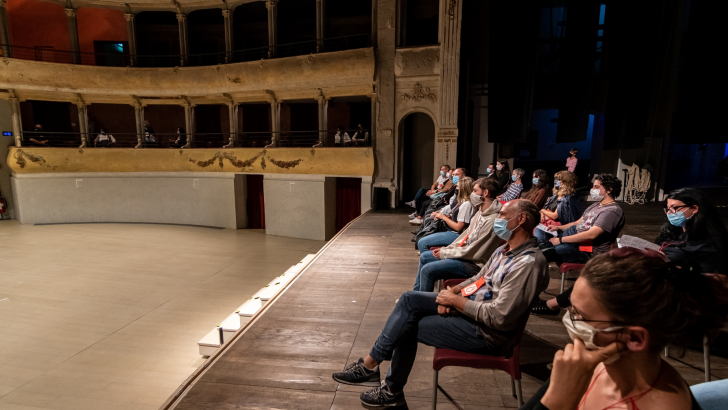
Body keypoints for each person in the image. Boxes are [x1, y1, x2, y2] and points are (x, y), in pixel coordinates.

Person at [332, 199, 549, 407]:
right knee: (409, 300)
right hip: (469, 310)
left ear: (520, 219)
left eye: (502, 215)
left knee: (407, 325)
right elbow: (478, 279)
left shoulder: (528, 264)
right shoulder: (504, 251)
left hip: (486, 333)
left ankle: (388, 386)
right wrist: (453, 292)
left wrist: (456, 302)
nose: (498, 219)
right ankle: (373, 367)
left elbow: (499, 318)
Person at [520, 248, 728, 410]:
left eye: (578, 314)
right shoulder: (589, 364)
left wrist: (557, 402)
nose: (569, 319)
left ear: (635, 338)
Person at [532, 174, 624, 315]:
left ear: (609, 189)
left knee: (540, 255)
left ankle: (540, 300)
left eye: (596, 187)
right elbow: (577, 223)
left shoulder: (612, 211)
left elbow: (591, 234)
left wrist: (560, 240)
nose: (592, 189)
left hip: (588, 251)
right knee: (536, 249)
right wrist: (558, 228)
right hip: (573, 241)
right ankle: (532, 294)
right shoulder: (596, 205)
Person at [412, 178, 504, 292]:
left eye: (475, 191)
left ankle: (423, 306)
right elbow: (465, 235)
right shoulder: (481, 212)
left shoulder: (492, 219)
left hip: (474, 264)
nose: (472, 194)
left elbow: (475, 251)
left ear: (485, 193)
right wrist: (447, 249)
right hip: (466, 256)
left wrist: (446, 253)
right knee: (424, 256)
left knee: (427, 270)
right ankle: (416, 294)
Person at [656, 187, 728, 278]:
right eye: (668, 208)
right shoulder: (672, 231)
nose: (669, 213)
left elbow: (716, 282)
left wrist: (670, 266)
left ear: (694, 208)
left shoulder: (709, 243)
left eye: (674, 208)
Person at [414, 177, 476, 253]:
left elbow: (458, 227)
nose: (456, 189)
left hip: (455, 235)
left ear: (463, 189)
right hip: (450, 230)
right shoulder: (462, 201)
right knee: (423, 237)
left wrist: (443, 217)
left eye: (457, 187)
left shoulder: (467, 204)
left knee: (422, 242)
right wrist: (444, 216)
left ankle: (430, 259)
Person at [534, 170, 582, 243]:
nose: (555, 181)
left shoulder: (569, 198)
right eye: (555, 179)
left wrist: (541, 210)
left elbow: (555, 216)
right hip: (546, 223)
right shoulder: (555, 196)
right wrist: (542, 213)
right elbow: (545, 208)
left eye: (558, 179)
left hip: (558, 226)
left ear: (566, 182)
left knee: (537, 232)